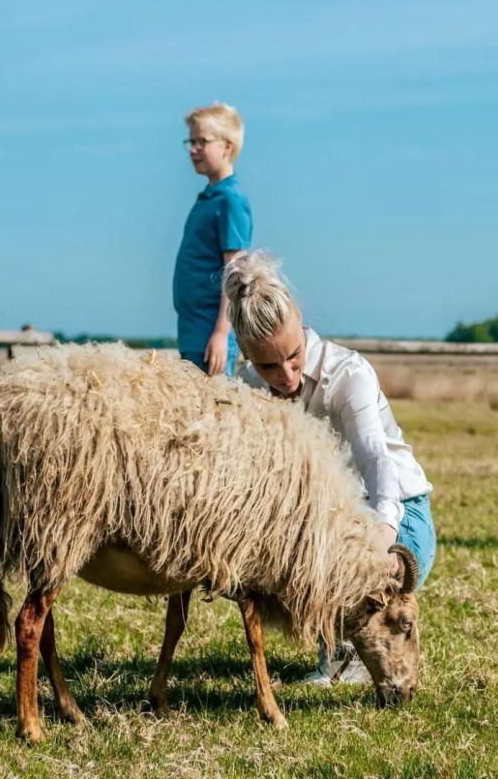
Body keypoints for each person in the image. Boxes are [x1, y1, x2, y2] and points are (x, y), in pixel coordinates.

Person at [223, 250, 435, 686]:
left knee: (367, 585)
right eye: (267, 364)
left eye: (294, 354)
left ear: (302, 326)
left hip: (394, 509)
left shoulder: (348, 374)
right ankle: (332, 640)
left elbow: (377, 462)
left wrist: (382, 534)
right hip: (322, 522)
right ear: (244, 354)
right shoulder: (245, 389)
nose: (285, 374)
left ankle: (353, 652)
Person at [173, 103, 253, 377]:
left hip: (211, 334)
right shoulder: (209, 198)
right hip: (192, 329)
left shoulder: (230, 201)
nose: (194, 148)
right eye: (191, 141)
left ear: (227, 147)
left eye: (202, 141)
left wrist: (221, 332)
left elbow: (235, 273)